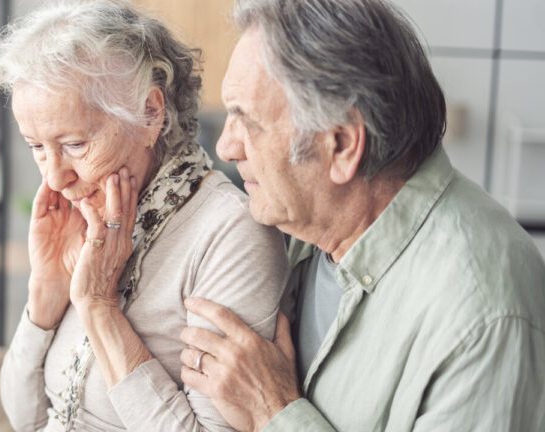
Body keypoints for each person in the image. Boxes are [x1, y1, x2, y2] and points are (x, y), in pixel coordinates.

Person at [178, 0, 545, 431]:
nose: (225, 148)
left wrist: (275, 412)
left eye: (247, 121)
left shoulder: (485, 314)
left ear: (343, 145)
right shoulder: (311, 223)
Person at [0, 1, 290, 431]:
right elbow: (24, 417)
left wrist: (99, 307)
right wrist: (45, 296)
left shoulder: (229, 233)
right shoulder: (84, 216)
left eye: (73, 144)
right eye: (36, 147)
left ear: (149, 114)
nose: (55, 178)